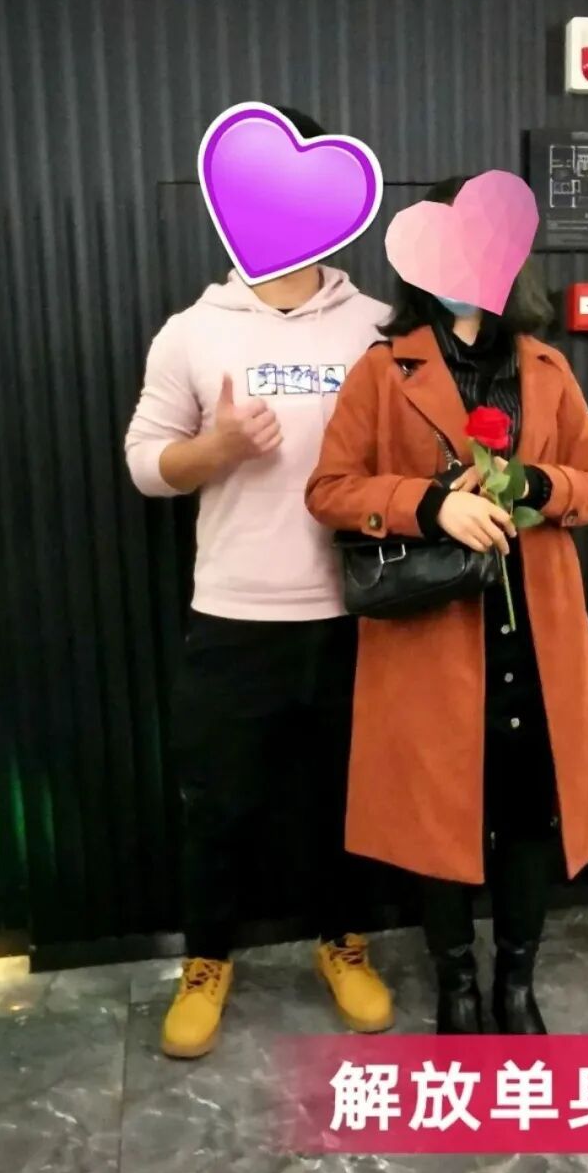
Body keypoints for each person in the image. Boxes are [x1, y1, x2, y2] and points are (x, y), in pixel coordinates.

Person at [305, 176, 588, 1034]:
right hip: (432, 631)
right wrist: (430, 504)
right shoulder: (384, 369)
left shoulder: (546, 367)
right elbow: (329, 490)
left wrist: (540, 484)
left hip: (537, 633)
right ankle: (456, 982)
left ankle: (516, 980)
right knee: (438, 810)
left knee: (527, 813)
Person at [125, 108, 394, 1059]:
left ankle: (343, 941)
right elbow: (146, 463)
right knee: (219, 803)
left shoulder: (378, 327)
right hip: (233, 614)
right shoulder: (192, 332)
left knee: (346, 799)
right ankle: (207, 960)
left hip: (358, 612)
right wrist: (220, 448)